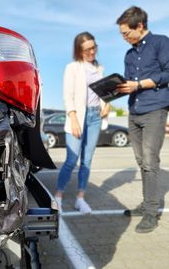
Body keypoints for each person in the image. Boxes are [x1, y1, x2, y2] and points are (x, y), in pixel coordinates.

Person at [116, 6, 169, 233]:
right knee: (141, 162)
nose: (124, 38)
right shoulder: (129, 54)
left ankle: (150, 212)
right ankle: (146, 202)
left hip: (155, 110)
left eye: (126, 33)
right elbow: (129, 82)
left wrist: (140, 84)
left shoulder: (161, 42)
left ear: (139, 26)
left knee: (150, 162)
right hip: (134, 111)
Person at [55, 32, 110, 214]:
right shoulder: (72, 68)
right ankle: (58, 196)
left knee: (87, 161)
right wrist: (73, 119)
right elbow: (67, 95)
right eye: (87, 49)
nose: (92, 51)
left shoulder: (99, 68)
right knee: (71, 160)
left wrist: (107, 105)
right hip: (78, 117)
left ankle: (80, 198)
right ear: (79, 50)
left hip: (95, 116)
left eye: (94, 47)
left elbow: (104, 92)